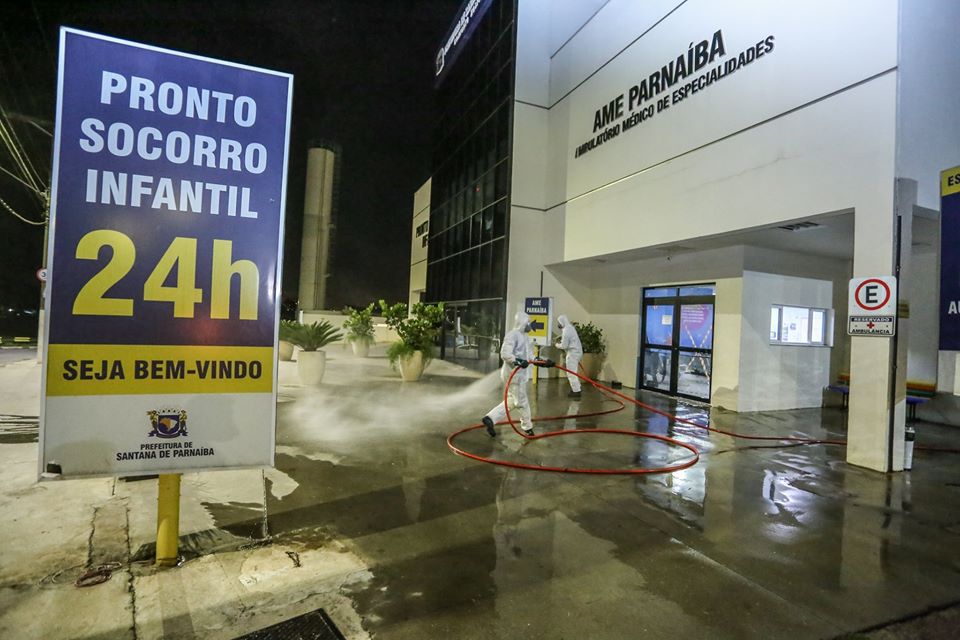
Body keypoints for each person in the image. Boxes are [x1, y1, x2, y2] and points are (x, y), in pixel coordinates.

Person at [482, 311, 536, 437]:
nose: (530, 325)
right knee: (522, 402)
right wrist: (517, 361)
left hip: (520, 376)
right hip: (513, 375)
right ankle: (528, 428)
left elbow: (530, 357)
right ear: (522, 322)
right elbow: (505, 353)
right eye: (528, 322)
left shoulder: (525, 337)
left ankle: (490, 418)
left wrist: (543, 361)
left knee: (511, 401)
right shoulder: (512, 335)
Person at [555, 315, 583, 399]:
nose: (558, 324)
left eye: (559, 323)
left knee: (571, 372)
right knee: (573, 371)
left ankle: (576, 391)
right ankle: (576, 388)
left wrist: (557, 345)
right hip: (577, 352)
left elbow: (564, 346)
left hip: (573, 353)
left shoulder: (566, 331)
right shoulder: (570, 327)